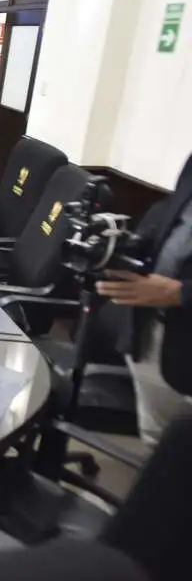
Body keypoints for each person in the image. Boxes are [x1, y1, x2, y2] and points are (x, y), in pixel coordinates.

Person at [96, 154, 192, 447]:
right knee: (158, 444)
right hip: (156, 333)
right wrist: (122, 249)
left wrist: (180, 293)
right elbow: (171, 216)